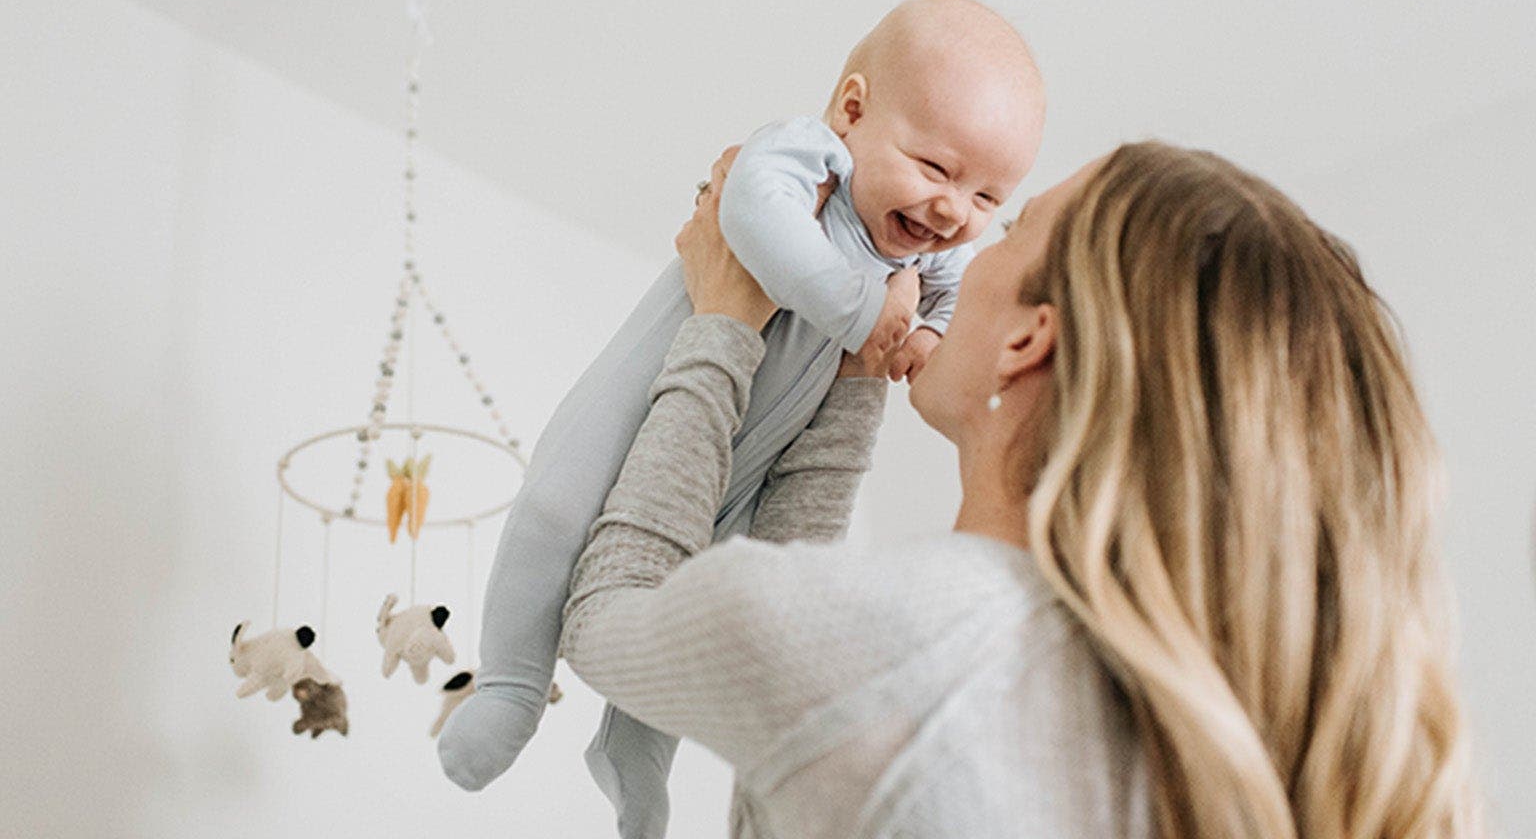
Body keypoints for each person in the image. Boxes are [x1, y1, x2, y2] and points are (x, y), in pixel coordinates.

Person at [558, 142, 1487, 838]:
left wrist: (722, 325)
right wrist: (849, 379)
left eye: (1008, 226)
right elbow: (814, 653)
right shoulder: (1210, 733)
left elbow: (608, 613)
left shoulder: (888, 650)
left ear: (1025, 340)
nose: (961, 237)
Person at [437, 0, 1045, 837]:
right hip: (644, 398)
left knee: (700, 598)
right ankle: (509, 682)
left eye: (988, 198)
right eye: (938, 170)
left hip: (748, 459)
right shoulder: (806, 158)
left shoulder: (930, 256)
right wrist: (860, 314)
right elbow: (751, 216)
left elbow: (938, 303)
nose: (953, 214)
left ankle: (636, 750)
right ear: (853, 110)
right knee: (551, 509)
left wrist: (926, 335)